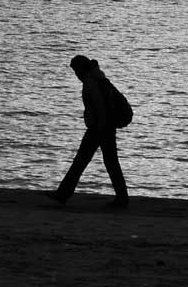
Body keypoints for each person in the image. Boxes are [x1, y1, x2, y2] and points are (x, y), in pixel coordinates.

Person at [46, 54, 130, 209]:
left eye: (75, 71)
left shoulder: (91, 81)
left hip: (99, 127)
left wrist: (99, 126)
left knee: (82, 161)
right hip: (105, 126)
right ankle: (122, 198)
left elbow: (99, 105)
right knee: (108, 162)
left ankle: (63, 194)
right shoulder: (98, 76)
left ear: (80, 69)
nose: (75, 75)